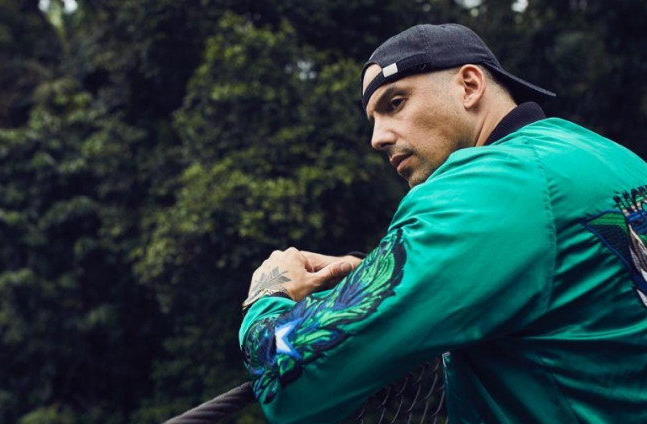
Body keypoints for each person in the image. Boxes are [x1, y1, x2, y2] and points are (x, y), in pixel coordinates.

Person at [239, 23, 647, 423]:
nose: (377, 138)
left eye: (395, 103)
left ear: (469, 85)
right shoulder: (607, 156)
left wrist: (269, 294)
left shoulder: (483, 190)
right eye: (373, 119)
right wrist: (384, 276)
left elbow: (287, 380)